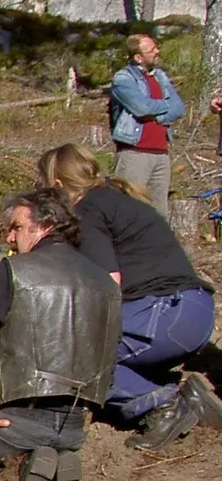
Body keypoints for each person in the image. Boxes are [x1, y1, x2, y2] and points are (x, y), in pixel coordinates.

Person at [39, 143, 222, 451]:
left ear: (57, 186)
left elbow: (108, 286)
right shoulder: (118, 199)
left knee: (69, 358)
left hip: (163, 314)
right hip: (193, 312)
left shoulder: (88, 210)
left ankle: (165, 405)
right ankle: (186, 396)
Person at [0, 189, 121, 481]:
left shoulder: (16, 271)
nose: (10, 238)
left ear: (45, 225)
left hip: (16, 420)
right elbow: (110, 358)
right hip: (75, 425)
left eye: (16, 227)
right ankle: (49, 461)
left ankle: (17, 470)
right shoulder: (107, 285)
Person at [108, 34, 185, 217]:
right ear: (138, 57)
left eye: (156, 47)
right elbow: (142, 108)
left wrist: (156, 115)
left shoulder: (160, 76)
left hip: (161, 154)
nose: (157, 51)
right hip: (134, 153)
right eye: (152, 50)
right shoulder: (123, 79)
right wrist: (164, 106)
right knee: (129, 210)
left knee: (159, 214)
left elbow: (179, 107)